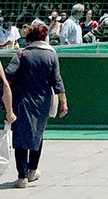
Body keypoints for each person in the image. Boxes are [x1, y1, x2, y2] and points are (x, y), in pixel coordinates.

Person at [5, 23, 68, 189]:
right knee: (37, 134)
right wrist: (64, 101)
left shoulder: (21, 54)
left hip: (22, 100)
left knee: (20, 137)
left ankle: (22, 176)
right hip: (43, 102)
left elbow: (7, 75)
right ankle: (33, 170)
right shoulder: (52, 55)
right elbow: (57, 80)